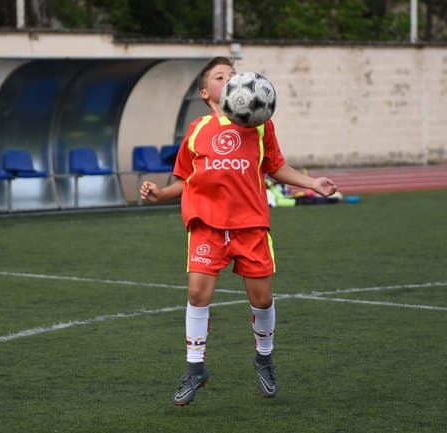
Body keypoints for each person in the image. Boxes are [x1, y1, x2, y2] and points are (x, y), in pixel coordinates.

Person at [140, 56, 337, 406]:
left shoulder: (260, 126)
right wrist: (159, 194)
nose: (231, 80)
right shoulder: (198, 129)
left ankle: (263, 358)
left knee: (261, 299)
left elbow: (277, 167)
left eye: (233, 75)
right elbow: (185, 180)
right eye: (220, 76)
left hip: (250, 226)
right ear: (206, 92)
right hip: (206, 225)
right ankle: (195, 368)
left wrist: (312, 183)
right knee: (198, 295)